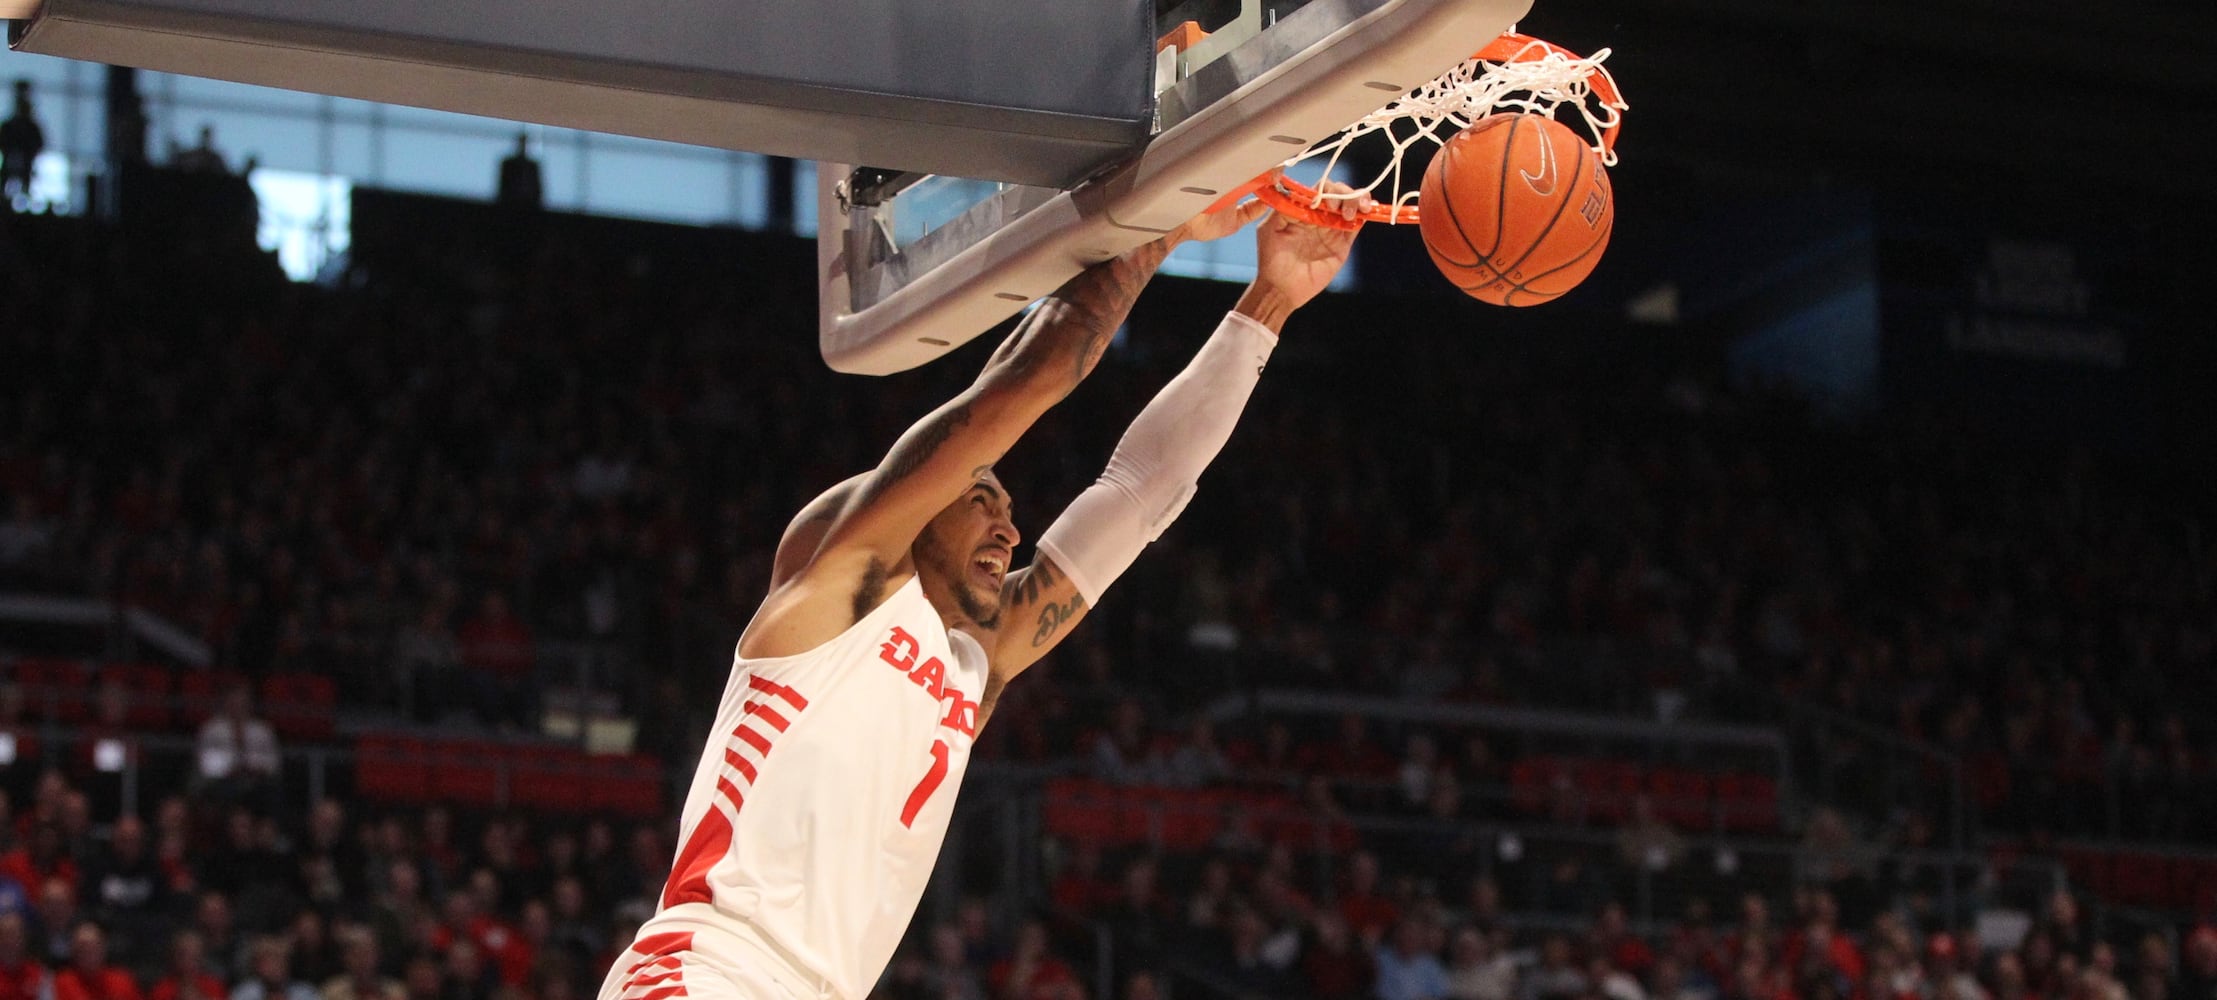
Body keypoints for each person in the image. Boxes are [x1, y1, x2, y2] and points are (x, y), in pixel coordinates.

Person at [595, 188, 1368, 1000]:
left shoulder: (972, 665)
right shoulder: (836, 583)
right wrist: (1160, 218)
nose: (1009, 531)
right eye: (982, 501)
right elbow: (1019, 384)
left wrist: (1268, 302)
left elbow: (1142, 491)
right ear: (918, 507)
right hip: (710, 967)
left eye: (1009, 514)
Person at [0, 80, 42, 209]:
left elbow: (38, 143)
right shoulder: (11, 125)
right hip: (14, 161)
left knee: (24, 185)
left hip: (24, 162)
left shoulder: (29, 127)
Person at [497, 132, 543, 209]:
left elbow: (538, 188)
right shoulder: (508, 164)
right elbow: (503, 186)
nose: (523, 146)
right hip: (510, 204)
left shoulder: (532, 166)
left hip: (529, 205)